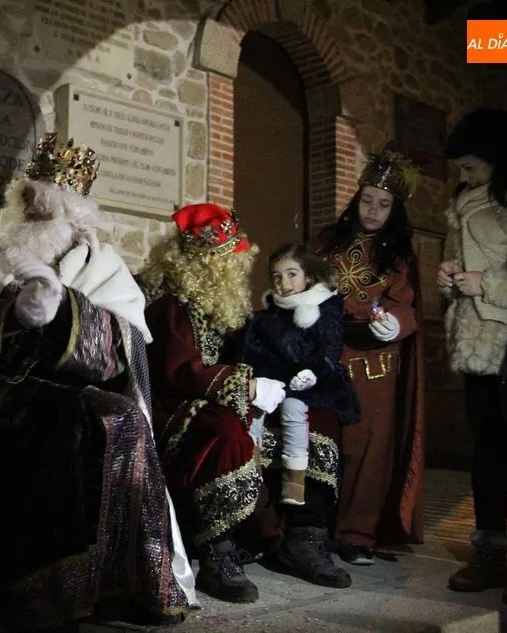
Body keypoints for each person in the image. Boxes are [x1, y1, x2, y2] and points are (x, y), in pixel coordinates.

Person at [0, 132, 194, 628]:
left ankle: (124, 580)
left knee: (126, 420)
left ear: (76, 217)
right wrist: (13, 317)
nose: (35, 213)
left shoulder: (105, 268)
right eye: (29, 203)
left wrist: (63, 309)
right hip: (3, 393)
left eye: (47, 207)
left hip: (86, 388)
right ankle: (41, 592)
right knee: (57, 425)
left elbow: (123, 352)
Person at [140, 203, 351, 605]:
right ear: (208, 262)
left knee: (316, 422)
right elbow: (180, 371)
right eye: (231, 259)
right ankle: (218, 551)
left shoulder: (221, 302)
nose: (240, 268)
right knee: (225, 433)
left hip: (224, 395)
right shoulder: (172, 304)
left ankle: (303, 538)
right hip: (178, 406)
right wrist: (248, 386)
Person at [313, 149, 425, 566]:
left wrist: (395, 323)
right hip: (327, 354)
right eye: (366, 200)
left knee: (366, 449)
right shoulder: (327, 241)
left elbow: (406, 305)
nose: (373, 211)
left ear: (395, 209)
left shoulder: (399, 254)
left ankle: (356, 534)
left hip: (374, 362)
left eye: (383, 204)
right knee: (319, 440)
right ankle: (311, 527)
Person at [438, 109, 507, 604]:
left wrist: (487, 283)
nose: (464, 175)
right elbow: (463, 272)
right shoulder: (462, 203)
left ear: (499, 158)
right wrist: (449, 279)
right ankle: (489, 555)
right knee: (487, 453)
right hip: (477, 345)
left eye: (471, 166)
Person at [234, 243, 360, 506]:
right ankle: (250, 470)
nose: (284, 283)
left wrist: (313, 371)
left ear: (309, 276)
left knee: (293, 409)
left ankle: (294, 481)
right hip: (273, 378)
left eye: (292, 274)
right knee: (254, 411)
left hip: (308, 381)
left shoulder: (325, 307)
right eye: (277, 276)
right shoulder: (270, 313)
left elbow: (329, 348)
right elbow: (254, 348)